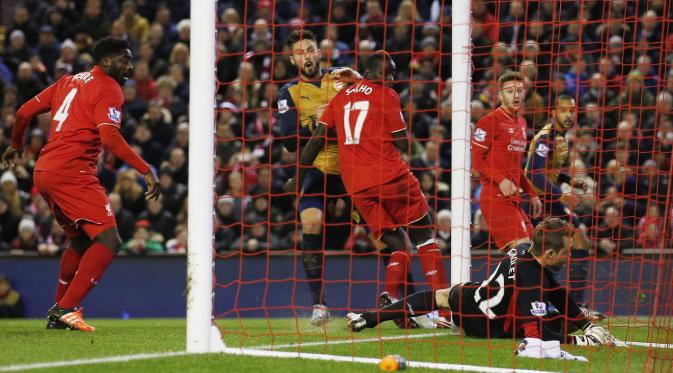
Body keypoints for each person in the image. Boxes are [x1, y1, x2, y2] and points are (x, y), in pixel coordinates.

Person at [2, 37, 160, 332]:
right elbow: (110, 138)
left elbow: (23, 112)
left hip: (45, 171)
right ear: (107, 62)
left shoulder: (67, 81)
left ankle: (58, 316)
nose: (131, 65)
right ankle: (65, 309)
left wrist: (16, 143)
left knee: (81, 242)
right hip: (72, 172)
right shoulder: (109, 87)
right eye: (125, 60)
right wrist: (145, 169)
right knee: (109, 241)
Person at [286, 50, 450, 328]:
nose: (395, 79)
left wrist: (297, 178)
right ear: (381, 74)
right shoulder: (387, 95)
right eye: (392, 73)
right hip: (391, 177)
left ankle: (390, 294)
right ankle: (447, 314)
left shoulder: (340, 98)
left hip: (358, 187)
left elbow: (315, 141)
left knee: (396, 243)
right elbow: (400, 140)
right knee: (424, 237)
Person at [346, 218, 617, 347]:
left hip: (472, 299)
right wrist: (583, 341)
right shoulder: (531, 280)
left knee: (443, 295)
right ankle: (415, 319)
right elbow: (535, 336)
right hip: (489, 325)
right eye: (565, 252)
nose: (569, 255)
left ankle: (367, 319)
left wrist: (586, 323)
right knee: (545, 321)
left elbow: (556, 291)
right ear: (548, 254)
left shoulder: (524, 249)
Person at [277, 29, 363, 325]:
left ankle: (404, 299)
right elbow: (289, 141)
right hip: (316, 170)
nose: (307, 56)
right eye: (300, 52)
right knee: (311, 222)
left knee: (380, 232)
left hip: (352, 167)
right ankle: (319, 305)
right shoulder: (288, 92)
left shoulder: (342, 78)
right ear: (292, 59)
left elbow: (369, 103)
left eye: (310, 49)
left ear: (319, 51)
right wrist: (321, 121)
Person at [524, 95, 604, 321]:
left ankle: (575, 305)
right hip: (535, 201)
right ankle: (549, 302)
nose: (569, 115)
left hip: (550, 199)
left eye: (572, 111)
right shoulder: (545, 138)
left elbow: (550, 171)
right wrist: (562, 193)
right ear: (553, 111)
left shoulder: (560, 137)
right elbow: (533, 173)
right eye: (564, 110)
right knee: (546, 250)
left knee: (578, 238)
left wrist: (568, 180)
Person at [471, 71, 542, 251]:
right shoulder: (490, 121)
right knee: (523, 252)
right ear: (500, 95)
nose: (516, 95)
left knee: (535, 253)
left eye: (519, 91)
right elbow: (476, 161)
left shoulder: (522, 123)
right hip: (494, 197)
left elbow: (516, 167)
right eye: (510, 91)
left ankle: (501, 280)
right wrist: (501, 181)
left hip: (514, 198)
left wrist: (532, 193)